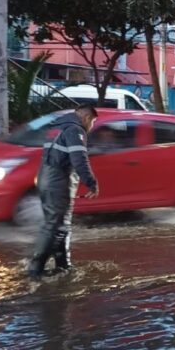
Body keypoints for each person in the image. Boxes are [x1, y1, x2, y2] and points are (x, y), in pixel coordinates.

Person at [27, 104, 100, 279]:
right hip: (58, 181)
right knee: (55, 226)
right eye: (93, 123)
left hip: (46, 177)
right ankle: (35, 269)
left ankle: (63, 266)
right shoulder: (75, 130)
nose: (91, 128)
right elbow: (79, 159)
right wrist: (91, 183)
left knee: (59, 224)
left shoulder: (56, 127)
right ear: (86, 118)